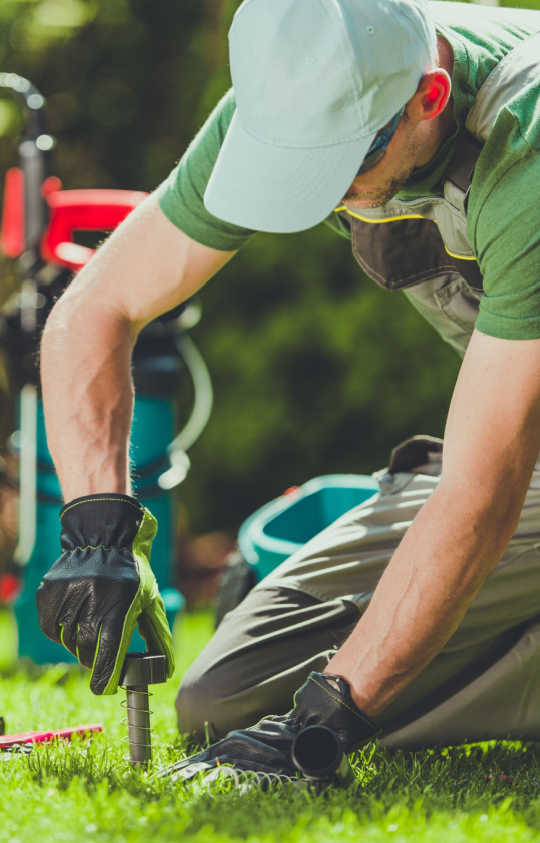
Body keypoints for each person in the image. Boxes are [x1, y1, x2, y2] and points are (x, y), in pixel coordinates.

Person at [36, 0, 540, 781]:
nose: (332, 198)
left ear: (429, 99)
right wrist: (98, 528)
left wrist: (329, 718)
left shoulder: (526, 143)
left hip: (506, 476)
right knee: (226, 700)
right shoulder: (298, 91)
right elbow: (94, 310)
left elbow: (481, 491)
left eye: (345, 169)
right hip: (520, 460)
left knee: (323, 709)